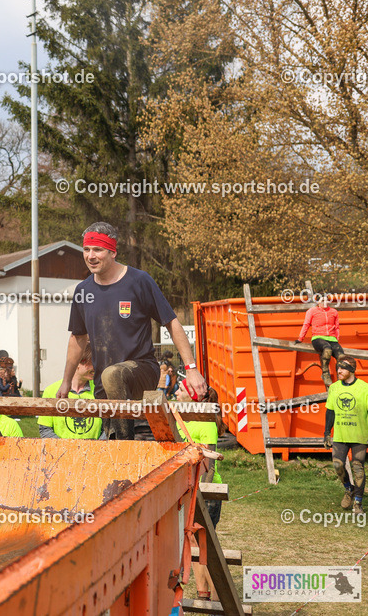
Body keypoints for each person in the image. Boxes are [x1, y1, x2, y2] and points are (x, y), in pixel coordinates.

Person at [61, 222, 205, 440]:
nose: (90, 256)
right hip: (105, 386)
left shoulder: (138, 281)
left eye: (97, 250)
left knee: (113, 375)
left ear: (112, 252)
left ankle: (125, 445)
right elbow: (78, 338)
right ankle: (121, 447)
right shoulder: (83, 291)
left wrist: (192, 368)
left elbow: (171, 322)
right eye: (86, 250)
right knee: (109, 440)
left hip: (141, 371)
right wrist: (66, 381)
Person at [173, 379, 223, 602]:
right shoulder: (179, 418)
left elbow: (209, 468)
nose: (176, 391)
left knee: (205, 545)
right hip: (187, 488)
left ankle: (220, 596)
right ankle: (203, 593)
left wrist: (201, 494)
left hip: (204, 491)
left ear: (193, 397)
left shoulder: (206, 424)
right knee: (192, 543)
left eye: (181, 389)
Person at [323, 357, 368, 514]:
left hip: (359, 435)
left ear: (352, 370)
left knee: (358, 468)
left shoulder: (366, 388)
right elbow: (330, 411)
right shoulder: (334, 388)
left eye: (343, 368)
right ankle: (349, 489)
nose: (338, 371)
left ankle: (358, 503)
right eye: (338, 368)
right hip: (340, 435)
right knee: (338, 465)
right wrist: (327, 432)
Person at [39, 347, 97, 439]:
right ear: (77, 363)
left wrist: (96, 447)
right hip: (61, 452)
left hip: (94, 451)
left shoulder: (100, 390)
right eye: (92, 362)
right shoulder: (51, 391)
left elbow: (108, 427)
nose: (96, 366)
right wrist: (66, 449)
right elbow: (45, 429)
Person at [298, 295, 347, 386]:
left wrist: (337, 339)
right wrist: (300, 338)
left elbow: (337, 327)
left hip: (332, 339)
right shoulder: (312, 311)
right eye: (322, 300)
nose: (325, 302)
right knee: (327, 350)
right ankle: (325, 374)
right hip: (318, 338)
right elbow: (306, 324)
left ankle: (340, 378)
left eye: (326, 300)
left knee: (341, 356)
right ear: (317, 302)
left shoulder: (334, 312)